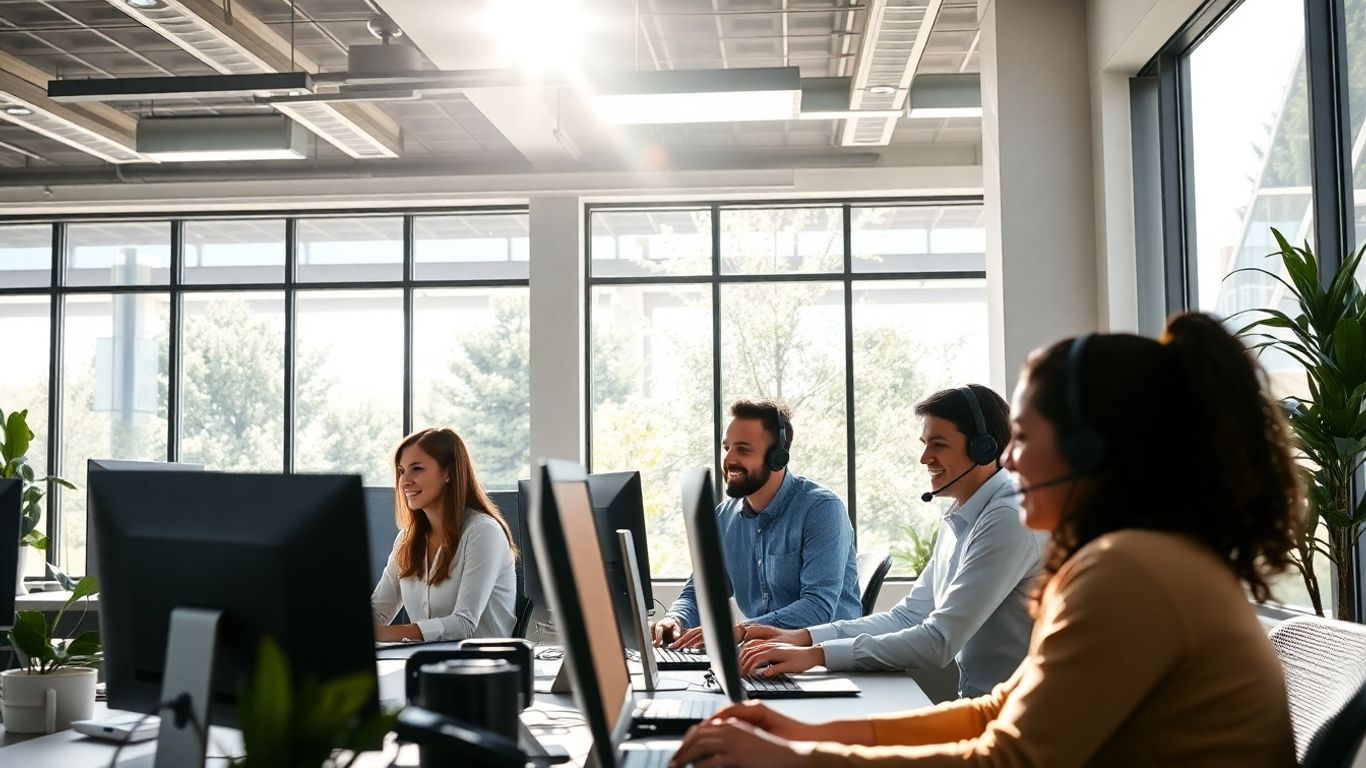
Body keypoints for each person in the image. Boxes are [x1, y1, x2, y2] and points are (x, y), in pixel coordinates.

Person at [669, 313, 1301, 767]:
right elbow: (993, 711)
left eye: (1022, 438)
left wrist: (802, 757)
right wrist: (804, 733)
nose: (1013, 463)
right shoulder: (1135, 556)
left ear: (1088, 449)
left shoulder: (1130, 570)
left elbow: (1008, 757)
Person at [736, 385, 1045, 697]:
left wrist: (816, 656)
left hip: (1023, 718)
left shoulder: (1008, 517)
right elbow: (907, 616)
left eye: (938, 444)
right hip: (985, 706)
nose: (925, 458)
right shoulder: (963, 516)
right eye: (924, 444)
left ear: (984, 448)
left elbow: (939, 641)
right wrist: (802, 638)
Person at [651, 399, 861, 647]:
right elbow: (700, 591)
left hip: (825, 659)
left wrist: (741, 631)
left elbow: (817, 609)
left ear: (778, 457)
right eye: (726, 448)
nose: (728, 459)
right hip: (763, 655)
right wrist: (676, 620)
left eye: (743, 450)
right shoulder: (724, 517)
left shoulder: (821, 510)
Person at [372, 427, 518, 642]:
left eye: (417, 469)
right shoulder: (407, 539)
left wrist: (384, 634)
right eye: (402, 471)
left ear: (448, 472)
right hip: (425, 665)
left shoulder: (483, 532)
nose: (404, 481)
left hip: (482, 669)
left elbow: (463, 625)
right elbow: (378, 611)